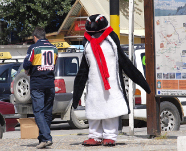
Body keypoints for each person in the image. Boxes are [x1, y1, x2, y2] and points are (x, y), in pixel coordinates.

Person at [72, 14, 151, 146]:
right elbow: (83, 70)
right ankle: (94, 135)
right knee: (94, 108)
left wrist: (143, 83)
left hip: (111, 83)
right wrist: (76, 95)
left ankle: (110, 135)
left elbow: (125, 63)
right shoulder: (87, 41)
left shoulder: (111, 38)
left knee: (111, 108)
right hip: (94, 84)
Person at [23, 26, 58, 149]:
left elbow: (26, 63)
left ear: (35, 37)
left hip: (37, 83)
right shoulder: (54, 48)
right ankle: (43, 139)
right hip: (50, 83)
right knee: (47, 113)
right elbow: (54, 64)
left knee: (38, 112)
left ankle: (47, 137)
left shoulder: (34, 47)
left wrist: (29, 69)